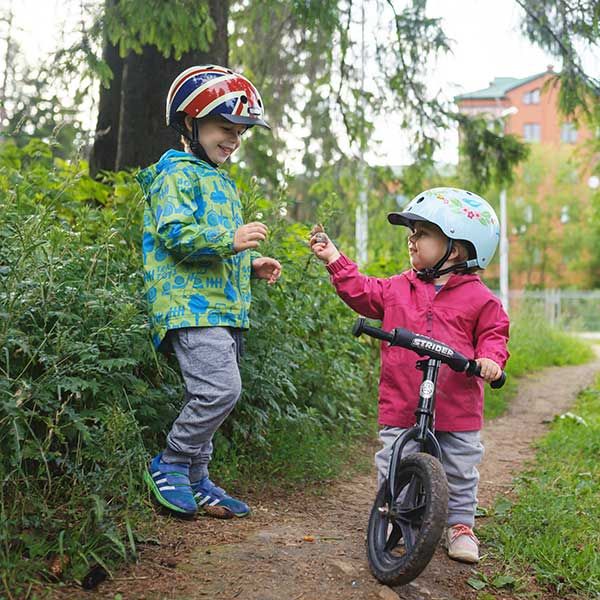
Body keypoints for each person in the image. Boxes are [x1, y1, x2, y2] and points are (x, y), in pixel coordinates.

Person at [309, 187, 509, 563]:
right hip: (403, 401)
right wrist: (334, 259)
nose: (411, 240)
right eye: (412, 232)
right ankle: (391, 514)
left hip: (456, 406)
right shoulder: (398, 287)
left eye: (423, 233)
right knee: (394, 461)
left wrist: (490, 359)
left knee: (460, 467)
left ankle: (460, 525)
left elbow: (494, 335)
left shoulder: (482, 299)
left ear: (459, 247)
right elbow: (361, 291)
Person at [137, 65, 282, 519]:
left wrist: (248, 263)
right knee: (220, 390)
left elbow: (218, 243)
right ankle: (171, 463)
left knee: (213, 394)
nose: (234, 139)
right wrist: (231, 241)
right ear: (190, 123)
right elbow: (177, 234)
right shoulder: (175, 174)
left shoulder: (221, 180)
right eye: (225, 128)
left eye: (240, 132)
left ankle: (197, 479)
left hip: (223, 307)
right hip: (188, 305)